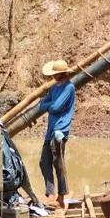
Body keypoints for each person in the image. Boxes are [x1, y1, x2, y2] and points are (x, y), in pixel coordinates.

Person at [39, 59, 76, 208]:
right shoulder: (54, 88)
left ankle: (61, 196)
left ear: (62, 73)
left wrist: (51, 106)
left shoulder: (69, 88)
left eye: (55, 74)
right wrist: (51, 106)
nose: (53, 76)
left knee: (58, 163)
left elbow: (55, 107)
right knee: (43, 162)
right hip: (51, 130)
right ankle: (51, 194)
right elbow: (44, 105)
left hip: (60, 130)